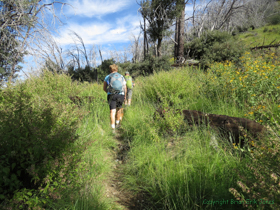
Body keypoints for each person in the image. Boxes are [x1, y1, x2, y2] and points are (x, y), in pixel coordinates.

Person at [103, 64, 127, 132]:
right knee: (119, 109)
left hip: (111, 95)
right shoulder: (121, 76)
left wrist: (109, 92)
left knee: (112, 111)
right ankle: (117, 123)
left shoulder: (108, 77)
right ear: (117, 69)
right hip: (121, 95)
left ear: (110, 70)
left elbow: (104, 88)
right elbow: (125, 87)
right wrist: (124, 95)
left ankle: (113, 128)